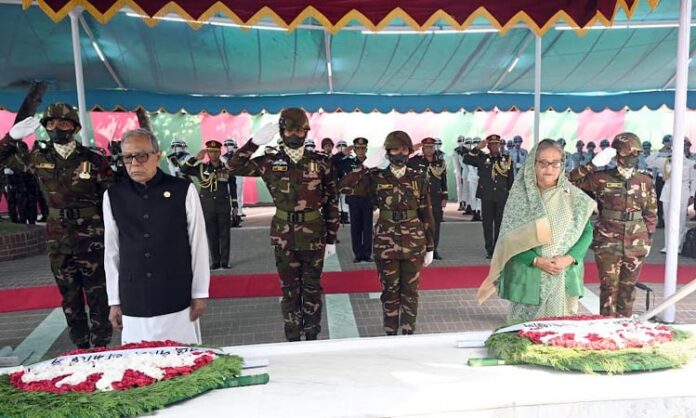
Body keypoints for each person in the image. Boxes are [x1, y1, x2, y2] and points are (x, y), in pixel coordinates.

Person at [0, 104, 113, 348]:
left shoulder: (93, 159)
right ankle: (80, 345)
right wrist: (10, 138)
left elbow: (111, 197)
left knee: (97, 292)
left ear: (74, 127)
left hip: (91, 237)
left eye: (62, 123)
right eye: (50, 123)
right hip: (58, 238)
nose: (56, 127)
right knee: (69, 296)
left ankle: (102, 344)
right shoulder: (38, 157)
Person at [227, 108, 339, 341]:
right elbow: (233, 167)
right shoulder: (269, 162)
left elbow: (331, 201)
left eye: (299, 130)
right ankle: (293, 337)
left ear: (306, 131)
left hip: (314, 235)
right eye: (290, 130)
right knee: (289, 291)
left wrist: (331, 238)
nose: (295, 134)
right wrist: (253, 143)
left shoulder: (321, 162)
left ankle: (312, 336)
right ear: (281, 131)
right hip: (284, 236)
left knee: (312, 289)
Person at [104, 128, 210, 344]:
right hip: (133, 294)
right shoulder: (114, 195)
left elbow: (198, 243)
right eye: (127, 157)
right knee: (138, 360)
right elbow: (112, 250)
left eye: (141, 156)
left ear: (157, 156)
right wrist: (114, 300)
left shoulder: (183, 190)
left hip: (175, 292)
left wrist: (200, 292)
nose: (134, 163)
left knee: (183, 357)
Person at [477, 139, 596, 320]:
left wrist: (570, 258)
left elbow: (586, 232)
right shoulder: (520, 199)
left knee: (559, 329)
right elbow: (509, 239)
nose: (549, 168)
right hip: (529, 273)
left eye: (555, 163)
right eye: (543, 163)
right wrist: (536, 260)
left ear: (562, 164)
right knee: (524, 330)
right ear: (533, 164)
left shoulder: (575, 197)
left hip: (563, 272)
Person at [341, 131, 434, 335]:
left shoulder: (418, 177)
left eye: (404, 149)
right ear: (388, 151)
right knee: (389, 291)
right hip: (386, 242)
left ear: (409, 152)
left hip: (413, 242)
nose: (399, 153)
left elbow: (426, 213)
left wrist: (430, 246)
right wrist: (366, 166)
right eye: (395, 149)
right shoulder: (376, 177)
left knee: (410, 291)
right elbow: (346, 186)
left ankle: (408, 331)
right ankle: (390, 332)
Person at [569, 133, 657, 317]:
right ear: (617, 155)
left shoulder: (645, 181)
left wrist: (648, 239)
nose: (632, 158)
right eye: (628, 154)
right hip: (608, 241)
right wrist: (592, 165)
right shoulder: (601, 177)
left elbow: (650, 213)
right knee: (609, 287)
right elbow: (569, 181)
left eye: (635, 154)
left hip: (636, 241)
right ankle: (607, 326)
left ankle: (623, 325)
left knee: (628, 288)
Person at [182, 140, 238, 269]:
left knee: (224, 233)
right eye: (210, 152)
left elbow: (232, 186)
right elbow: (183, 170)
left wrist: (235, 205)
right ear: (207, 153)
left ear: (220, 152)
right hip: (207, 205)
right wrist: (195, 158)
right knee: (211, 234)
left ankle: (224, 261)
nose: (213, 154)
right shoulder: (201, 168)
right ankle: (215, 261)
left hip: (223, 204)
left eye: (215, 152)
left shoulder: (226, 168)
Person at [463, 134, 514, 258]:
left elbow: (510, 179)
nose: (495, 146)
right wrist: (477, 148)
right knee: (487, 224)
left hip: (501, 196)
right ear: (488, 146)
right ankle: (489, 248)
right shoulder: (482, 158)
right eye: (492, 144)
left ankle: (497, 248)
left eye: (496, 144)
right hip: (487, 196)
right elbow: (466, 159)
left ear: (499, 145)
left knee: (500, 223)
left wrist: (511, 195)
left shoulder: (506, 159)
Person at [646, 138, 696, 253]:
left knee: (680, 220)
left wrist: (692, 195)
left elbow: (694, 180)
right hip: (668, 191)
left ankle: (677, 245)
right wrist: (662, 149)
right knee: (668, 219)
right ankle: (668, 245)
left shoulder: (690, 163)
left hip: (682, 191)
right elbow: (649, 161)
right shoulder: (666, 161)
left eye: (685, 145)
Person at [409, 137, 447, 260]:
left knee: (435, 225)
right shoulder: (415, 161)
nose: (429, 149)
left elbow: (443, 180)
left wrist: (445, 196)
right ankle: (420, 249)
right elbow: (401, 162)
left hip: (436, 198)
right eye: (426, 147)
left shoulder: (440, 162)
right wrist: (410, 150)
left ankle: (433, 250)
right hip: (420, 199)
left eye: (431, 147)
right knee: (419, 224)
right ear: (423, 148)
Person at [338, 137, 373, 263]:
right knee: (355, 228)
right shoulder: (347, 163)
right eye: (358, 148)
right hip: (353, 199)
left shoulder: (372, 162)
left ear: (366, 149)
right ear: (354, 149)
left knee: (368, 228)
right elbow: (340, 175)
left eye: (363, 148)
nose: (360, 151)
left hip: (367, 199)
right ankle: (358, 254)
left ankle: (367, 254)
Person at [453, 136, 471, 213]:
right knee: (459, 188)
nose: (460, 142)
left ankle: (467, 204)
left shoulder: (467, 150)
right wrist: (458, 172)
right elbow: (456, 163)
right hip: (459, 171)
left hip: (466, 171)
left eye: (461, 140)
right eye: (459, 141)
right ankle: (461, 203)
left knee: (467, 189)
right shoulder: (456, 150)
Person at [467, 137, 482, 221]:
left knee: (480, 196)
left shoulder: (483, 154)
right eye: (475, 143)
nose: (476, 144)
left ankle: (479, 211)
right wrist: (475, 176)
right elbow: (469, 166)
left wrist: (479, 176)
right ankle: (474, 212)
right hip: (472, 178)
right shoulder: (470, 154)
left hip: (480, 178)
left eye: (478, 143)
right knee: (472, 196)